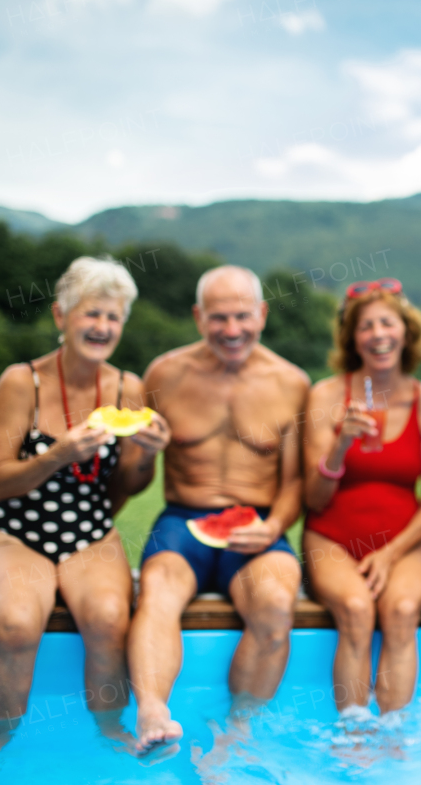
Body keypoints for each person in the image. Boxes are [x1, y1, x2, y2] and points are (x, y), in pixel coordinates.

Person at [0, 256, 171, 767]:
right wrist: (57, 455)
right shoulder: (20, 382)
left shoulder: (126, 388)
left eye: (113, 317)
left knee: (109, 617)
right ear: (60, 316)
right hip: (16, 531)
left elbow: (124, 488)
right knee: (16, 622)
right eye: (91, 313)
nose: (102, 327)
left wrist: (148, 455)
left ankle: (111, 736)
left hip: (91, 532)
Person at [128, 265, 310, 755]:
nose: (232, 331)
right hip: (182, 521)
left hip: (258, 525)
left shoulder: (291, 383)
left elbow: (295, 482)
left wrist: (272, 525)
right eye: (219, 318)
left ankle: (237, 730)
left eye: (243, 316)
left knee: (275, 606)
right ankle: (151, 713)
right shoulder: (165, 374)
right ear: (197, 317)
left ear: (263, 314)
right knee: (157, 592)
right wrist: (144, 452)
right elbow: (132, 478)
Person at [302, 278, 421, 716]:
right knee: (355, 609)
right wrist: (340, 445)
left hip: (400, 541)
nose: (379, 334)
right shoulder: (325, 395)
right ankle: (354, 734)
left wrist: (388, 555)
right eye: (366, 326)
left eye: (388, 323)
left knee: (402, 611)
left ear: (405, 330)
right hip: (331, 536)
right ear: (352, 338)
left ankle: (391, 738)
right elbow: (314, 500)